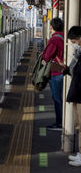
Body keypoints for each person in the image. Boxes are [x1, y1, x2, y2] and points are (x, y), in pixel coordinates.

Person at [42, 18, 65, 130]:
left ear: (51, 27)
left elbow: (46, 56)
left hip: (56, 73)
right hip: (63, 71)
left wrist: (43, 60)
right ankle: (62, 121)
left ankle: (59, 123)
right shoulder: (63, 36)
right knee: (60, 97)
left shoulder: (54, 40)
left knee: (57, 99)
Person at [66, 26, 81, 167]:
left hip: (80, 94)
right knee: (79, 126)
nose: (72, 43)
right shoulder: (79, 52)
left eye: (74, 40)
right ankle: (80, 154)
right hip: (78, 94)